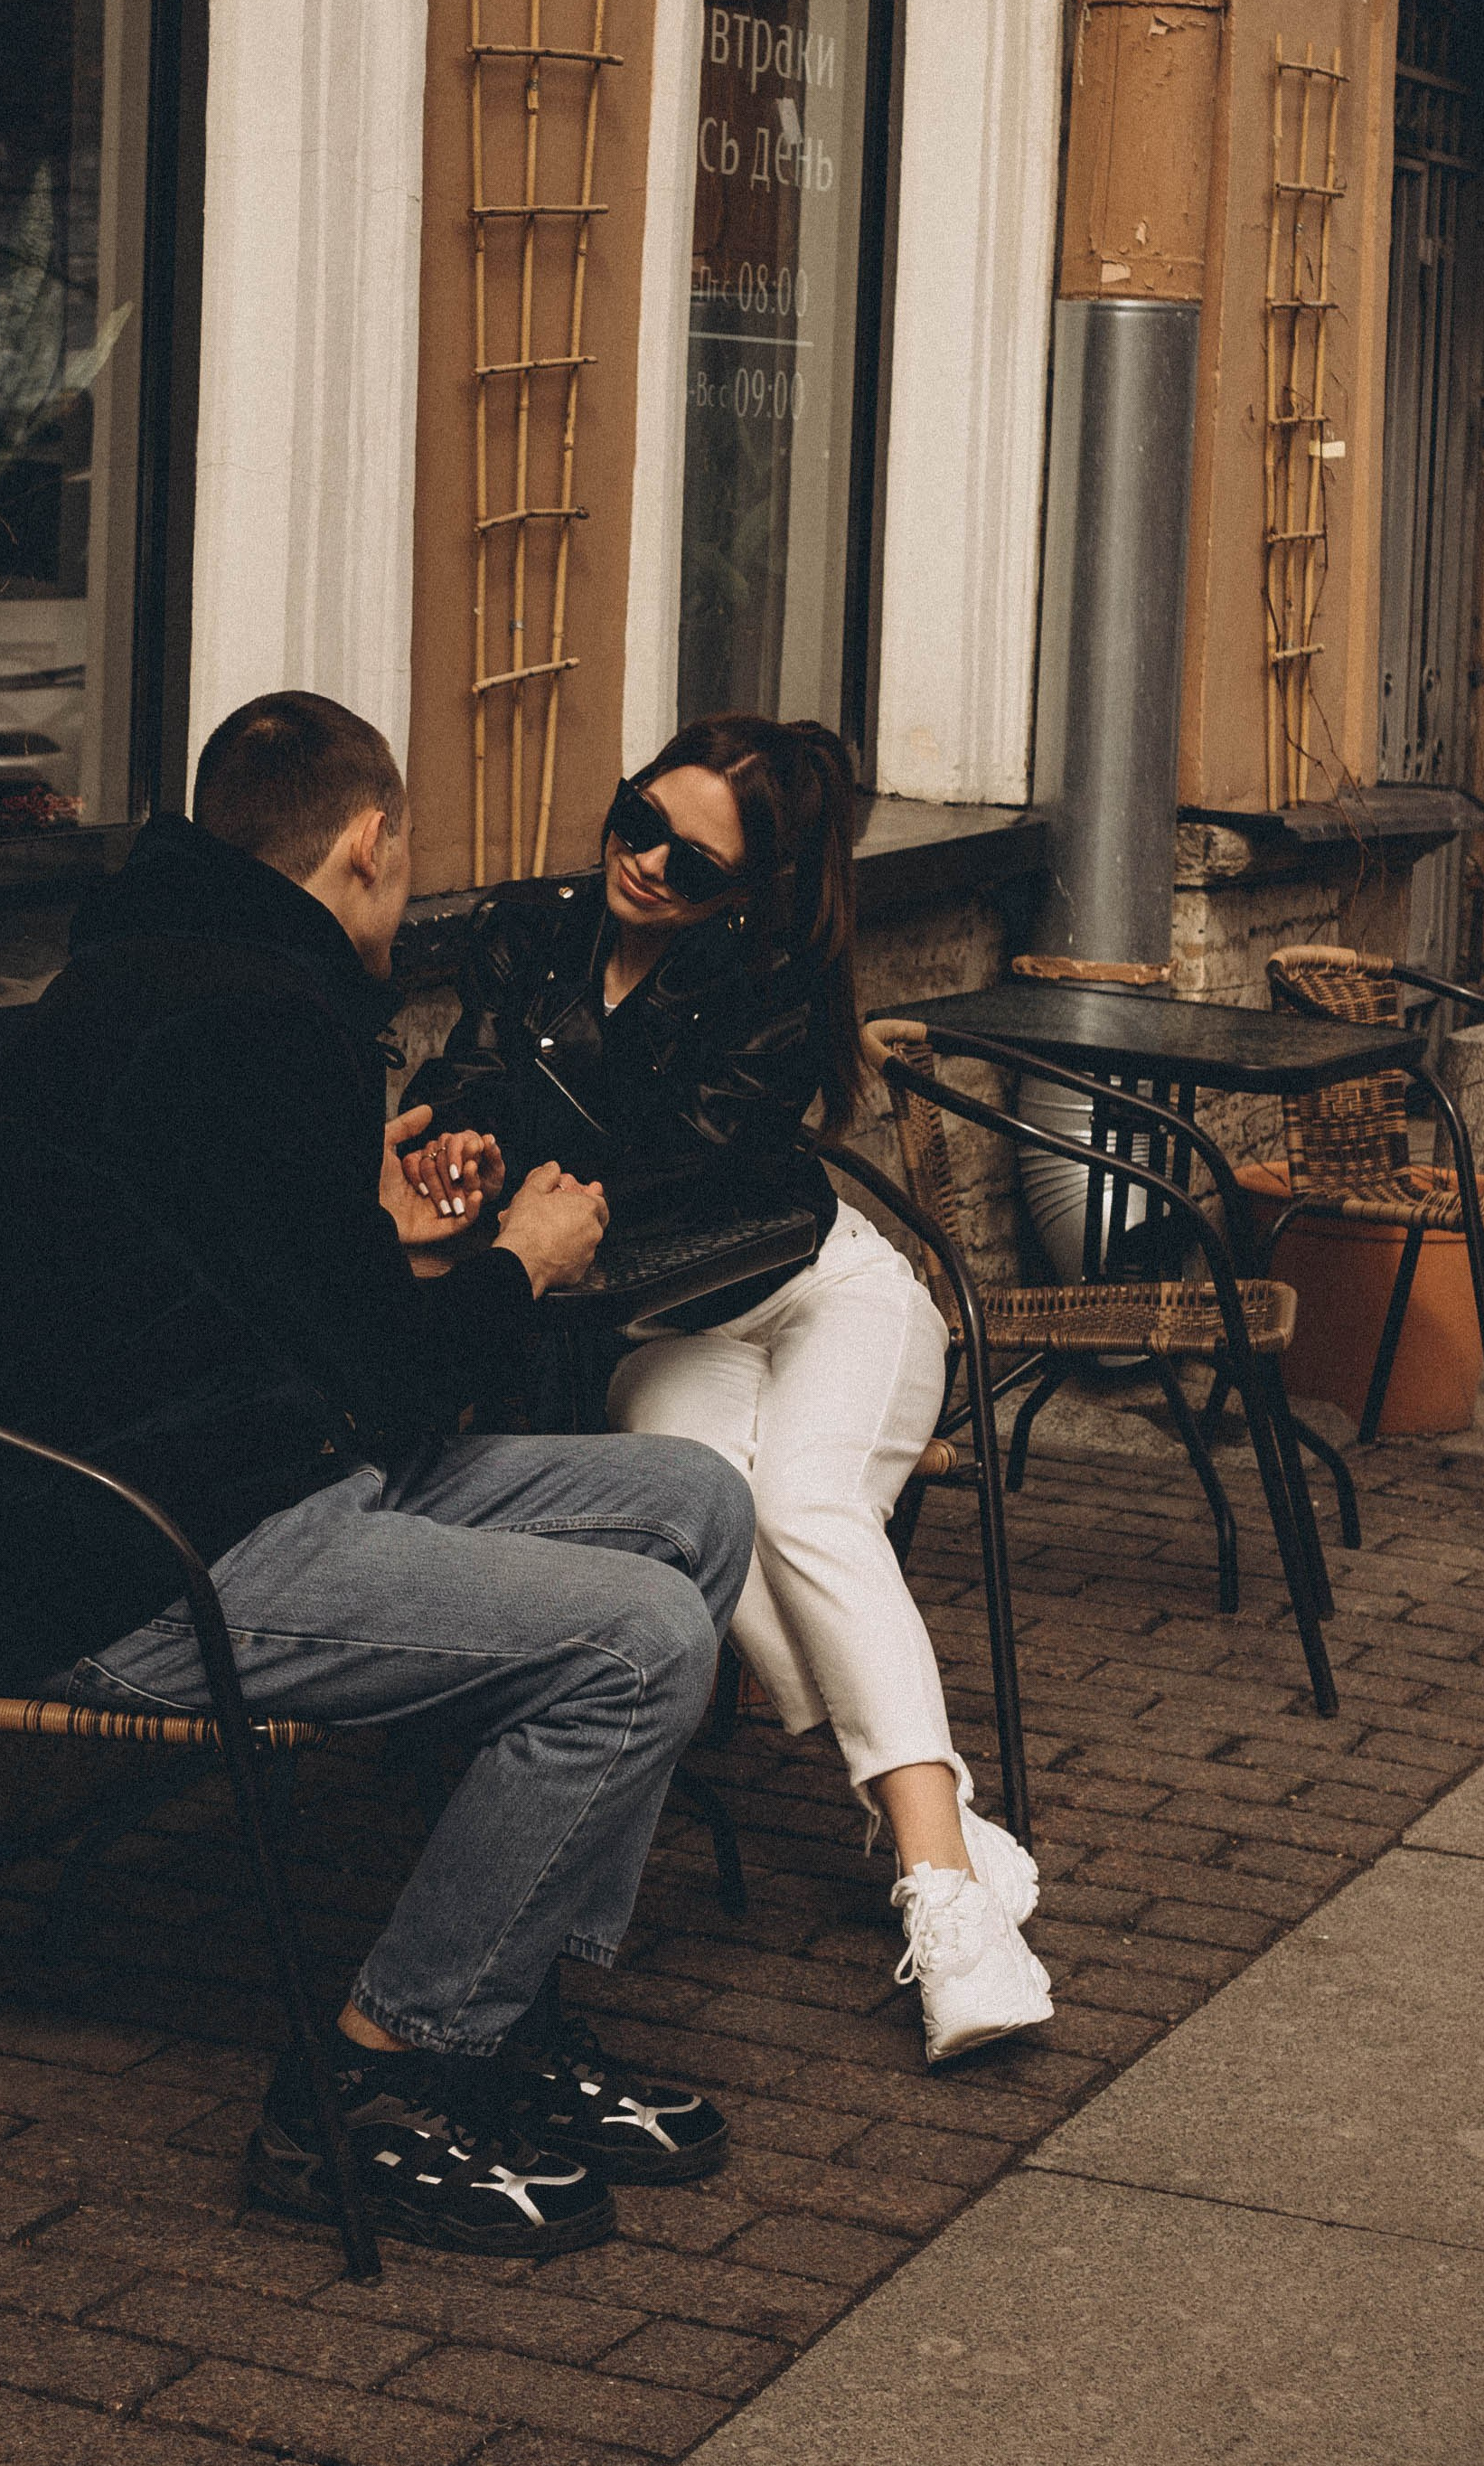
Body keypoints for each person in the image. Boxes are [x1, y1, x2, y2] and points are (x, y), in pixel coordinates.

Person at [0, 690, 756, 2257]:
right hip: (155, 1556)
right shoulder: (262, 1016)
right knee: (641, 1639)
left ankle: (501, 2009)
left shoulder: (183, 978)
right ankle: (369, 2082)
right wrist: (516, 1258)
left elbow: (277, 1295)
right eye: (409, 849)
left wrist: (398, 1228)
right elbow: (385, 1369)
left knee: (692, 1501)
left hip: (251, 1476)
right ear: (365, 841)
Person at [405, 714, 1052, 2063]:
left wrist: (525, 1142)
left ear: (748, 891)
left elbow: (662, 1162)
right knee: (715, 1514)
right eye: (637, 820)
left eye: (690, 865)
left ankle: (942, 1901)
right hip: (665, 1327)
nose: (643, 866)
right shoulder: (532, 933)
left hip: (826, 1296)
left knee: (808, 1503)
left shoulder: (768, 990)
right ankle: (947, 1818)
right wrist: (469, 1119)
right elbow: (473, 1066)